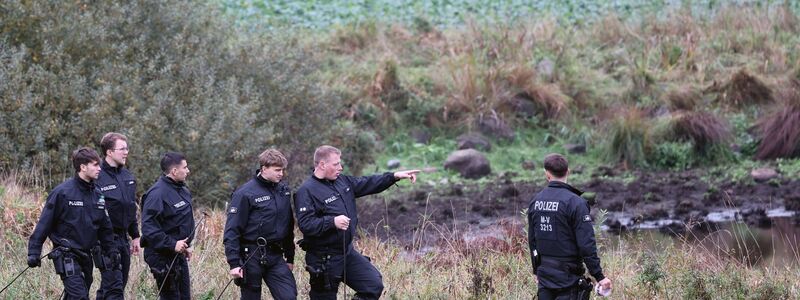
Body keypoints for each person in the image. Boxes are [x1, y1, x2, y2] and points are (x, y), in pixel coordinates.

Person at [295, 145, 419, 300]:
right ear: (322, 164)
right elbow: (306, 224)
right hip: (323, 259)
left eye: (340, 163)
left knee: (373, 286)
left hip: (346, 253)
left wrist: (394, 176)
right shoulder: (306, 191)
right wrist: (332, 221)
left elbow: (368, 182)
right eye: (336, 164)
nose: (340, 167)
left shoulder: (342, 181)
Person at [27, 147, 117, 299]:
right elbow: (44, 224)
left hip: (87, 255)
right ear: (83, 167)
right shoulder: (62, 192)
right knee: (80, 297)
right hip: (66, 255)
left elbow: (105, 227)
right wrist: (34, 252)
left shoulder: (98, 194)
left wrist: (111, 250)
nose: (99, 169)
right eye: (95, 165)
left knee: (76, 295)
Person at [527, 153, 612, 300]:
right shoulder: (576, 203)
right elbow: (586, 245)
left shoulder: (536, 201)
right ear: (568, 171)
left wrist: (537, 271)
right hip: (569, 281)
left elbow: (532, 241)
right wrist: (599, 276)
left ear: (547, 174)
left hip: (545, 278)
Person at [224, 149, 297, 300]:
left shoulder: (283, 191)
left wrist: (290, 257)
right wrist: (234, 263)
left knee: (289, 296)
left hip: (275, 254)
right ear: (264, 168)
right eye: (277, 170)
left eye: (282, 170)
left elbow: (288, 225)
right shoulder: (244, 193)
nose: (281, 174)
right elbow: (232, 230)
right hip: (251, 254)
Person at [141, 152, 195, 300]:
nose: (188, 170)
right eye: (185, 167)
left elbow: (181, 222)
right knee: (171, 297)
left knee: (184, 297)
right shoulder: (157, 194)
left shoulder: (182, 190)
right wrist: (172, 244)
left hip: (178, 254)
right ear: (174, 171)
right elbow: (148, 228)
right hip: (161, 256)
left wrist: (186, 245)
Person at [95, 133, 140, 299]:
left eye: (127, 148)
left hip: (123, 239)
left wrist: (135, 236)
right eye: (122, 149)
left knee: (117, 285)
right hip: (105, 240)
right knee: (114, 287)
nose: (126, 152)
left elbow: (130, 207)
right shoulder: (97, 176)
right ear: (109, 152)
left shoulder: (128, 176)